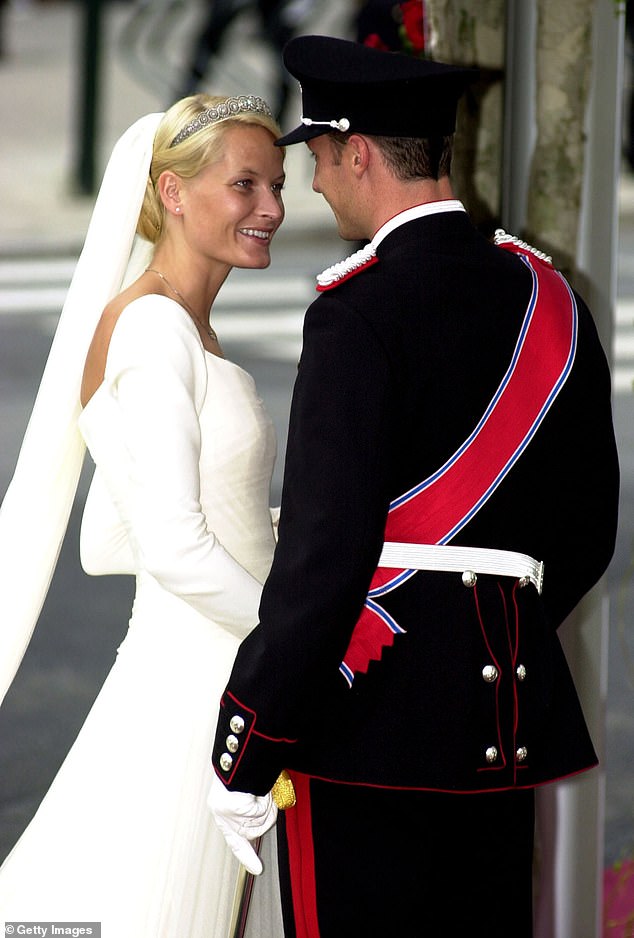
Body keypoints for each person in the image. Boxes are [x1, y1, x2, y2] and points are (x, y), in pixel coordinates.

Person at [207, 35, 620, 937]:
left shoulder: (357, 313)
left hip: (367, 730)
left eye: (317, 158)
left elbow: (326, 557)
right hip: (498, 724)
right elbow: (588, 534)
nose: (314, 184)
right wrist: (479, 631)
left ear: (357, 152)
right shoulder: (550, 301)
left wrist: (248, 745)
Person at [0, 92, 286, 936]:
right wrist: (298, 636)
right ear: (170, 192)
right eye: (244, 185)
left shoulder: (179, 326)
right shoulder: (158, 330)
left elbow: (106, 539)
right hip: (205, 686)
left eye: (276, 185)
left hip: (184, 665)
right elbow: (172, 548)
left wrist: (257, 524)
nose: (272, 207)